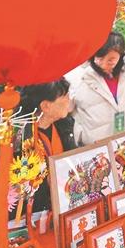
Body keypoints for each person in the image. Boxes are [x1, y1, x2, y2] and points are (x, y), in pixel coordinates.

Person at [68, 32, 125, 145]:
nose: (104, 64)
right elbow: (69, 108)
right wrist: (81, 134)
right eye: (100, 58)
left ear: (121, 55)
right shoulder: (79, 75)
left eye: (111, 60)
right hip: (96, 143)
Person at [18, 79, 76, 212]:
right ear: (45, 106)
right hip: (38, 211)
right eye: (65, 96)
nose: (69, 99)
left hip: (66, 202)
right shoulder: (22, 138)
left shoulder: (64, 125)